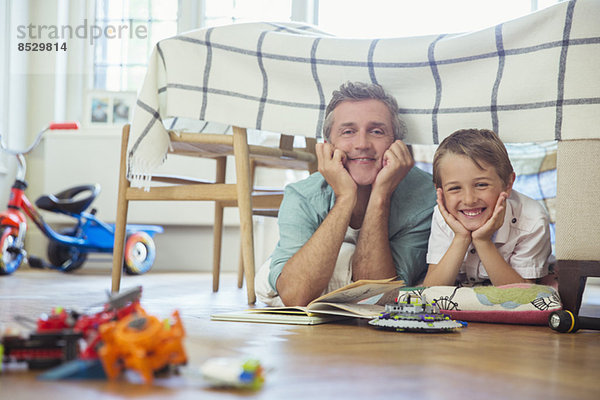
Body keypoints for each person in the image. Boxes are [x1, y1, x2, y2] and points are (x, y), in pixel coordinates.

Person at [255, 81, 437, 306]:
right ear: (327, 146)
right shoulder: (302, 196)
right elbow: (295, 295)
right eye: (348, 131)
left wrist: (380, 196)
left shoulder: (426, 197)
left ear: (397, 144)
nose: (362, 144)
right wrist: (345, 199)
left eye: (377, 131)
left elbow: (375, 294)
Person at [423, 129, 552, 287]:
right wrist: (461, 238)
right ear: (440, 192)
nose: (469, 200)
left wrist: (482, 241)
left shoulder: (532, 220)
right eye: (455, 188)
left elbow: (521, 295)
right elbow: (431, 290)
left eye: (481, 185)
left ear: (508, 183)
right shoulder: (443, 215)